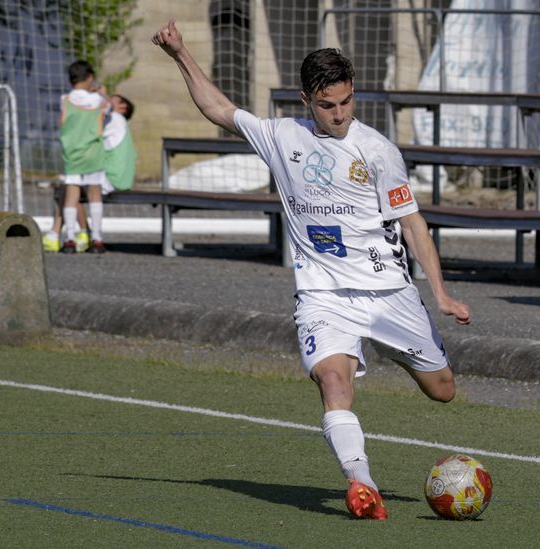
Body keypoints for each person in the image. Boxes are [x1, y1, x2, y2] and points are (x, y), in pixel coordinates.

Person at [153, 19, 471, 520]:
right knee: (333, 384)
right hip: (322, 295)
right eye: (328, 105)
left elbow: (412, 222)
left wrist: (441, 293)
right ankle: (362, 484)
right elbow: (218, 108)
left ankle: (393, 349)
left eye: (347, 102)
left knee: (443, 390)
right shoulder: (282, 137)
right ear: (306, 99)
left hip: (388, 294)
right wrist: (179, 54)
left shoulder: (378, 151)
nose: (340, 114)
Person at [44, 93, 136, 253]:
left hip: (113, 178)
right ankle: (71, 233)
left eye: (112, 97)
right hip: (116, 175)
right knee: (71, 187)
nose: (106, 98)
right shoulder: (116, 121)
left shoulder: (116, 119)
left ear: (123, 107)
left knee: (70, 188)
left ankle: (74, 233)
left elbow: (89, 132)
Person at [56, 60, 110, 254]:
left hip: (72, 153)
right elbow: (108, 107)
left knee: (72, 195)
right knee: (95, 194)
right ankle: (97, 239)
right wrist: (101, 92)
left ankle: (69, 238)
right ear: (89, 78)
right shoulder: (98, 101)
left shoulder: (65, 100)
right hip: (93, 153)